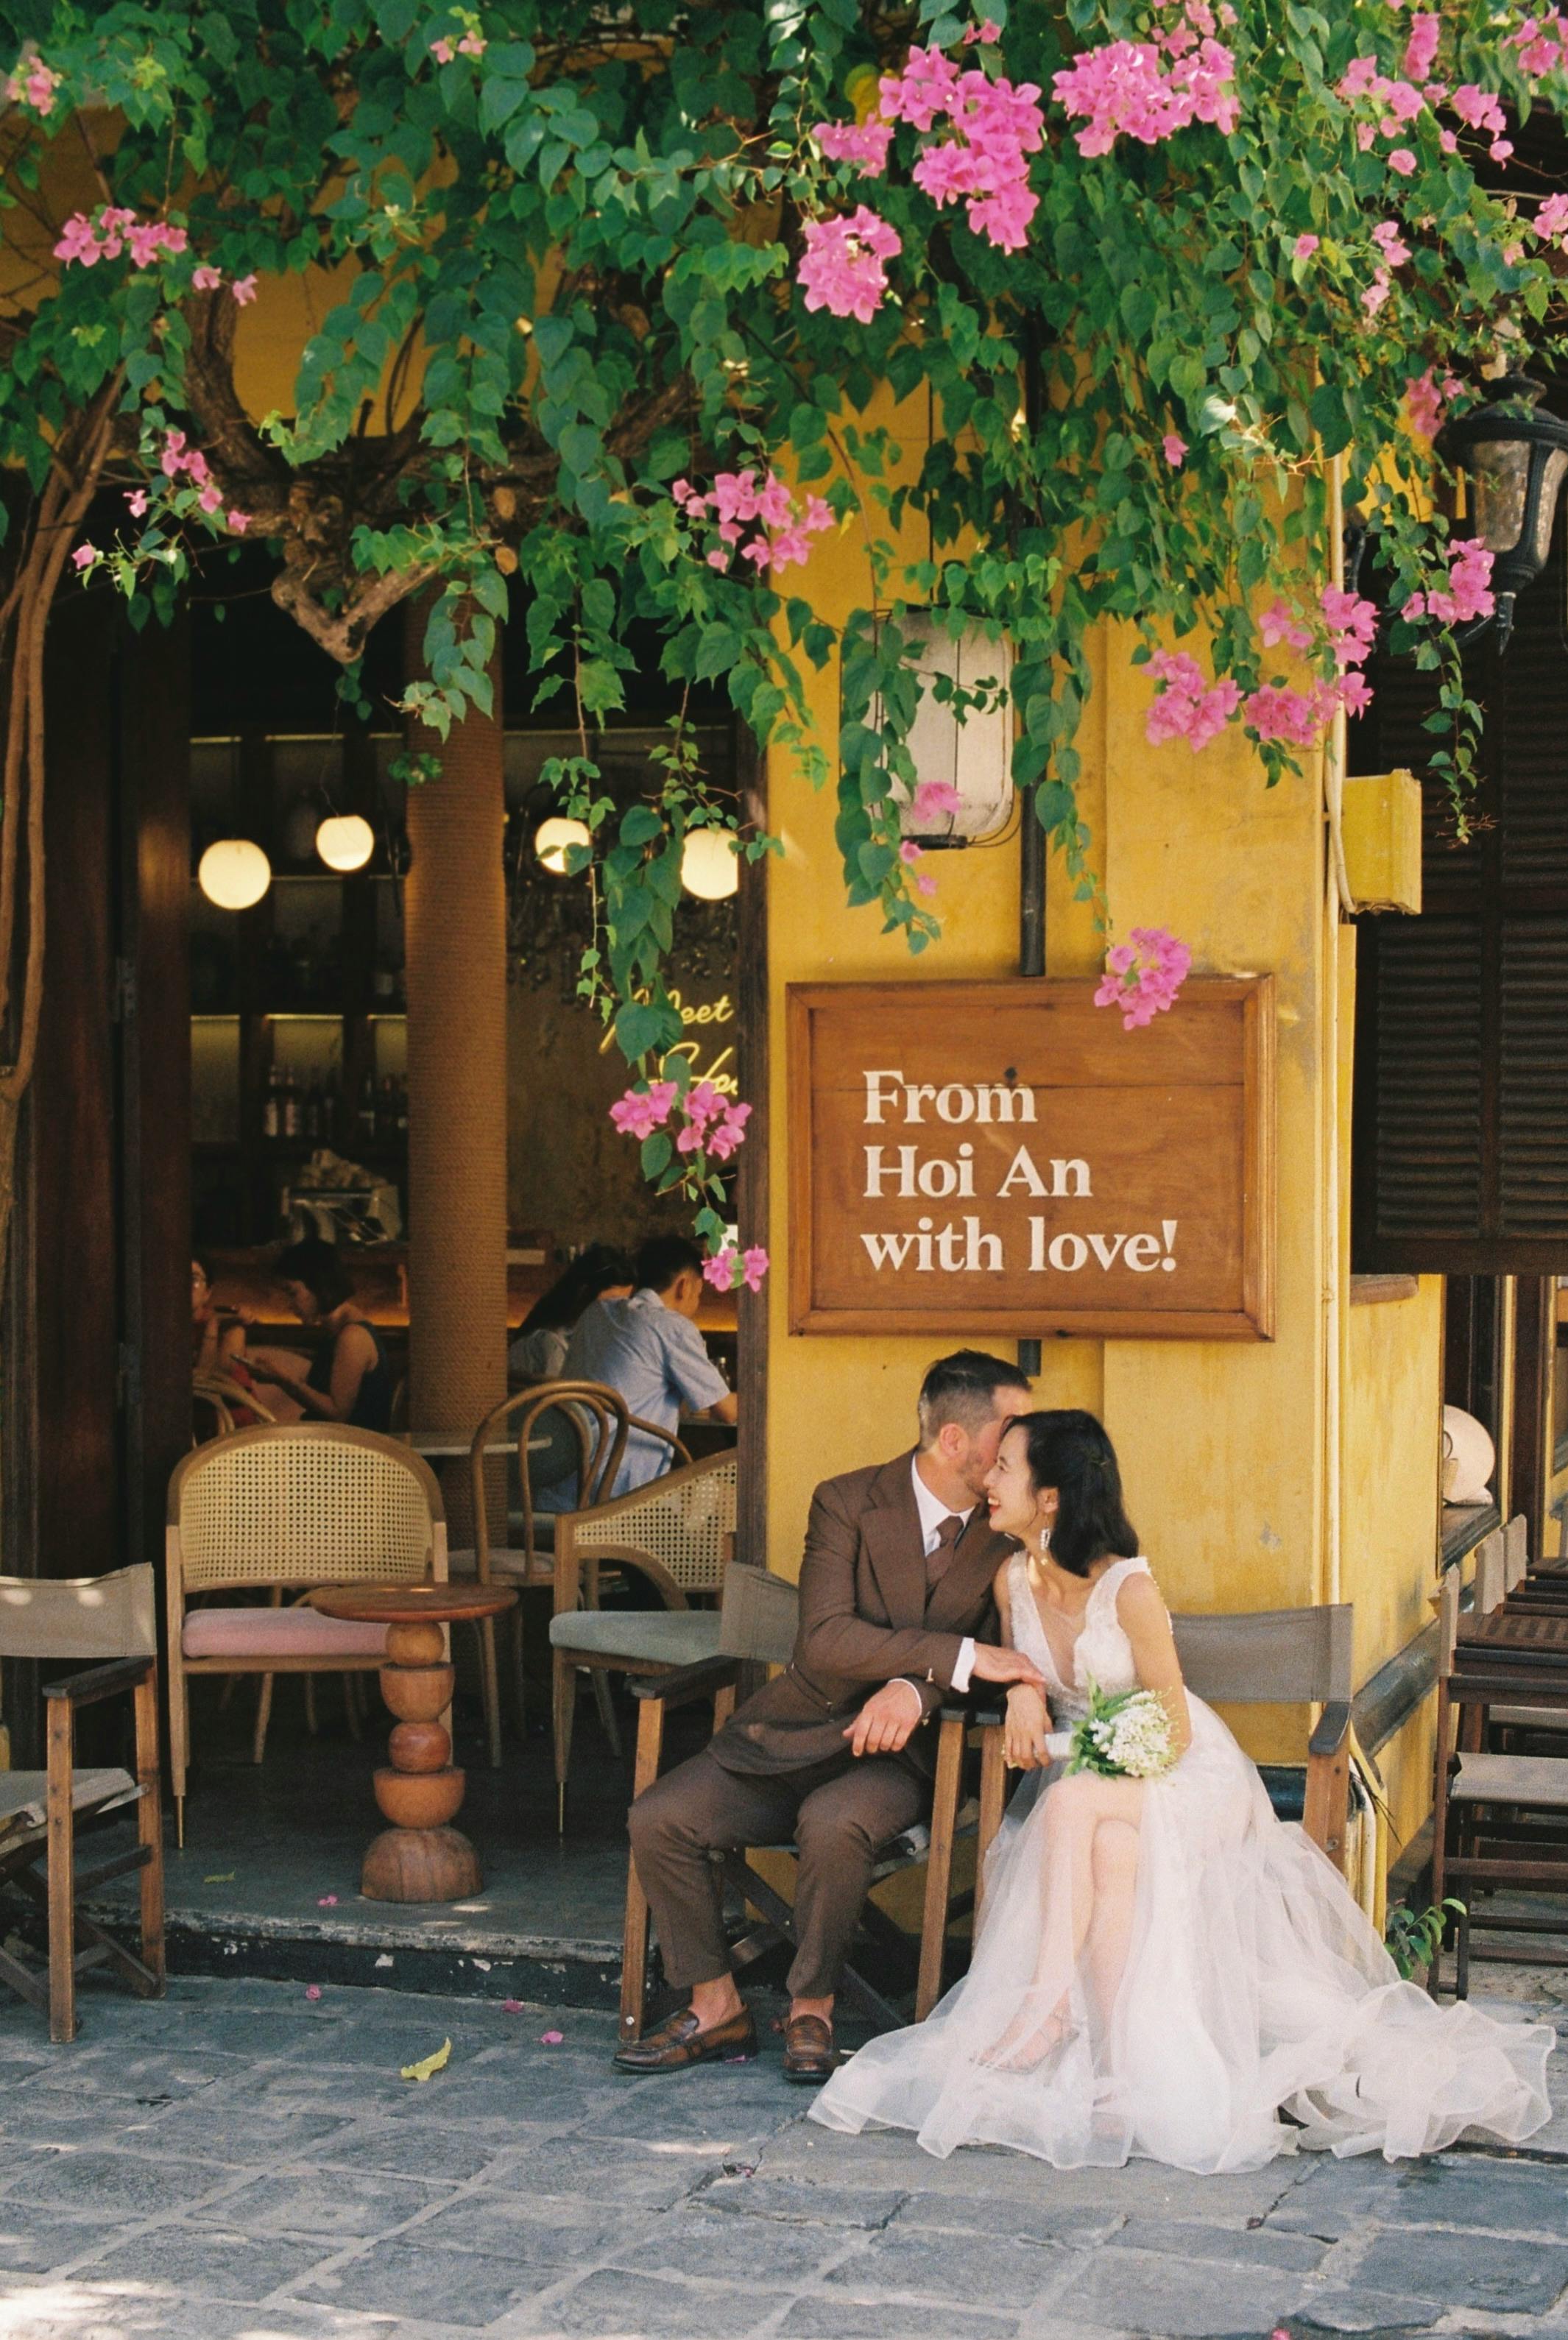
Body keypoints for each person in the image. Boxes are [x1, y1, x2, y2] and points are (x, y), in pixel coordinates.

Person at [812, 1409, 1555, 2170]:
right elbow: (1019, 1666)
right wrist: (1024, 1693)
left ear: (1054, 1496)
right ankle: (1112, 2075)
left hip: (1182, 1772)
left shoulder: (1128, 1584)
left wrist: (1105, 1759)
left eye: (1005, 1466)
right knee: (1110, 1846)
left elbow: (1172, 1722)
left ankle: (1048, 2003)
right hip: (1102, 1783)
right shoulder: (1013, 1579)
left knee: (1072, 1804)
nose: (989, 1479)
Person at [615, 1351, 1045, 2083]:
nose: (1024, 1442)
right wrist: (947, 1657)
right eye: (1009, 1426)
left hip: (904, 1757)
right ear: (952, 1440)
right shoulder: (847, 1500)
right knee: (659, 1817)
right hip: (793, 1731)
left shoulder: (1011, 1523)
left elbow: (1011, 1659)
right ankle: (716, 2002)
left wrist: (915, 1692)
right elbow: (824, 1638)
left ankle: (811, 2005)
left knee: (834, 1823)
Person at [548, 1234, 735, 1502]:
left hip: (561, 1478)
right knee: (727, 1499)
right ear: (684, 1286)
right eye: (699, 1292)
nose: (697, 1302)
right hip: (615, 1491)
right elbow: (727, 1412)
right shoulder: (671, 1327)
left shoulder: (597, 1312)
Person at [246, 1238, 396, 1433]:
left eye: (293, 1293)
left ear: (318, 1284)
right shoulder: (335, 1331)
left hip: (354, 1454)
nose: (290, 1305)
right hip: (329, 1447)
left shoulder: (353, 1336)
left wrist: (282, 1378)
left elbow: (337, 1413)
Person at [509, 1244, 635, 1383]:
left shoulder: (599, 1338)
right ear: (583, 1293)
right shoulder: (550, 1342)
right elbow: (564, 1401)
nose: (618, 1311)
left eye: (623, 1304)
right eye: (611, 1303)